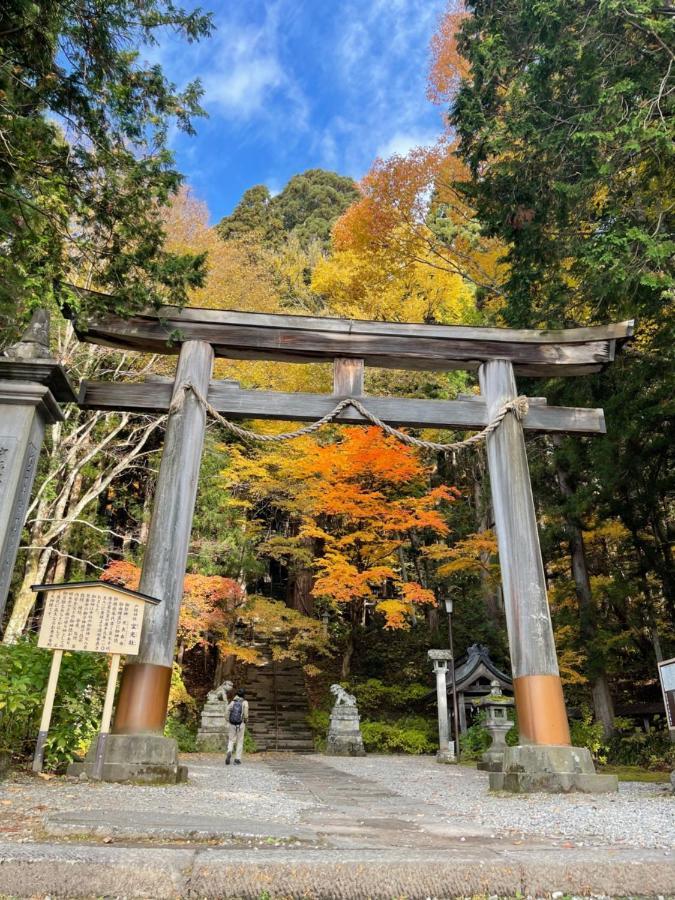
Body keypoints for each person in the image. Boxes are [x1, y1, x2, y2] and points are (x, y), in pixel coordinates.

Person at [225, 688, 249, 765]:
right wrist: (245, 719)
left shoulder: (232, 702)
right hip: (240, 724)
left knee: (231, 740)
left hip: (232, 724)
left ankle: (229, 751)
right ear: (243, 695)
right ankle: (237, 759)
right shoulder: (245, 702)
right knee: (240, 741)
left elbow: (227, 711)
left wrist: (228, 720)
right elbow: (245, 713)